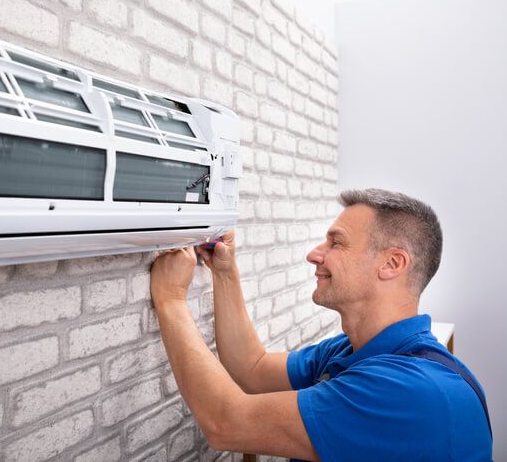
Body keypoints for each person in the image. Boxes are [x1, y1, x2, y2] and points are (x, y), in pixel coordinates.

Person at [150, 188, 492, 461]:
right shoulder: (353, 350)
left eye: (336, 242)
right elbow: (251, 370)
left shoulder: (408, 390)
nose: (314, 254)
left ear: (392, 263)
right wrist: (225, 273)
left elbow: (226, 424)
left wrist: (171, 301)